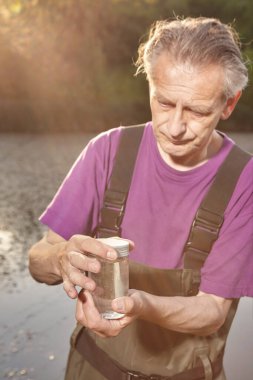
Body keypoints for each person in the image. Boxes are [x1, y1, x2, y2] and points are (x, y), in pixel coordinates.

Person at [28, 17, 253, 380]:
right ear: (150, 84)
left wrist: (141, 304)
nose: (175, 127)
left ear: (229, 104)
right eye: (164, 102)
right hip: (92, 367)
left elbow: (212, 309)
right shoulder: (106, 150)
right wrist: (59, 258)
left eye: (196, 111)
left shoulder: (246, 181)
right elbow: (38, 259)